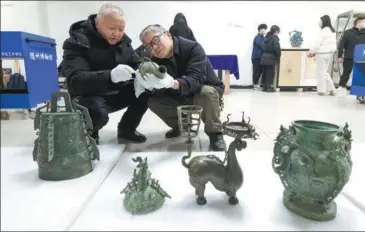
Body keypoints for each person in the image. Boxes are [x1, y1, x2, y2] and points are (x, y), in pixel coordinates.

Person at [61, 3, 148, 145]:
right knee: (96, 111)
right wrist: (111, 76)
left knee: (147, 91)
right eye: (112, 28)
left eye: (121, 29)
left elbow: (136, 61)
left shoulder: (123, 42)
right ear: (97, 22)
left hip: (114, 92)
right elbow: (75, 82)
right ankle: (88, 132)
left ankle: (127, 129)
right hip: (87, 95)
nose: (117, 33)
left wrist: (146, 72)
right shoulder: (77, 43)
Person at [137, 24, 226, 151]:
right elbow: (158, 90)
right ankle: (180, 126)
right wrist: (149, 87)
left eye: (156, 40)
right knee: (153, 101)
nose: (154, 47)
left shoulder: (192, 47)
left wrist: (172, 83)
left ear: (168, 34)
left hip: (201, 90)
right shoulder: (154, 60)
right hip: (177, 94)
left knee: (207, 93)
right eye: (149, 46)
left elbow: (196, 79)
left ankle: (215, 134)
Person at [308, 15, 337, 96]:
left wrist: (312, 51)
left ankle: (321, 91)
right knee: (324, 72)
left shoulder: (324, 31)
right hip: (330, 53)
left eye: (320, 21)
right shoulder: (332, 30)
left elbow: (318, 43)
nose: (319, 23)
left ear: (324, 21)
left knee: (321, 72)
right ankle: (332, 89)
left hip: (322, 53)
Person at [337, 16, 365, 95]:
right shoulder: (348, 33)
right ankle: (341, 87)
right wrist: (339, 55)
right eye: (364, 22)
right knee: (346, 73)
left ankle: (360, 91)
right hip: (349, 57)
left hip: (361, 58)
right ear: (358, 22)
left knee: (361, 75)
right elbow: (341, 45)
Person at [260, 25, 281, 92]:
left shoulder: (266, 37)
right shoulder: (274, 38)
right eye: (278, 31)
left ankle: (264, 87)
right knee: (270, 72)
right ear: (276, 31)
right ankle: (269, 87)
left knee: (265, 72)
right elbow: (276, 48)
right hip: (271, 57)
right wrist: (278, 55)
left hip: (264, 56)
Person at [251, 24, 267, 90]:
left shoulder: (263, 37)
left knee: (260, 71)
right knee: (256, 71)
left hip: (260, 57)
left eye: (265, 29)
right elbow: (263, 46)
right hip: (256, 57)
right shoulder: (258, 37)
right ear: (259, 29)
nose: (264, 30)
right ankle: (255, 85)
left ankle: (257, 85)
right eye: (262, 29)